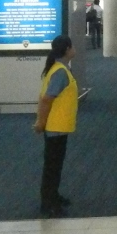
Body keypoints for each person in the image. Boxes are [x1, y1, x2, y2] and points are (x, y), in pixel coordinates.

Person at [34, 35, 78, 218]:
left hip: (59, 125)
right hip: (55, 126)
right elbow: (47, 99)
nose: (74, 49)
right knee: (52, 166)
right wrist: (41, 122)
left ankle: (53, 195)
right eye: (72, 46)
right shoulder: (60, 72)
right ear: (67, 49)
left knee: (55, 164)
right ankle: (48, 203)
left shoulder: (58, 68)